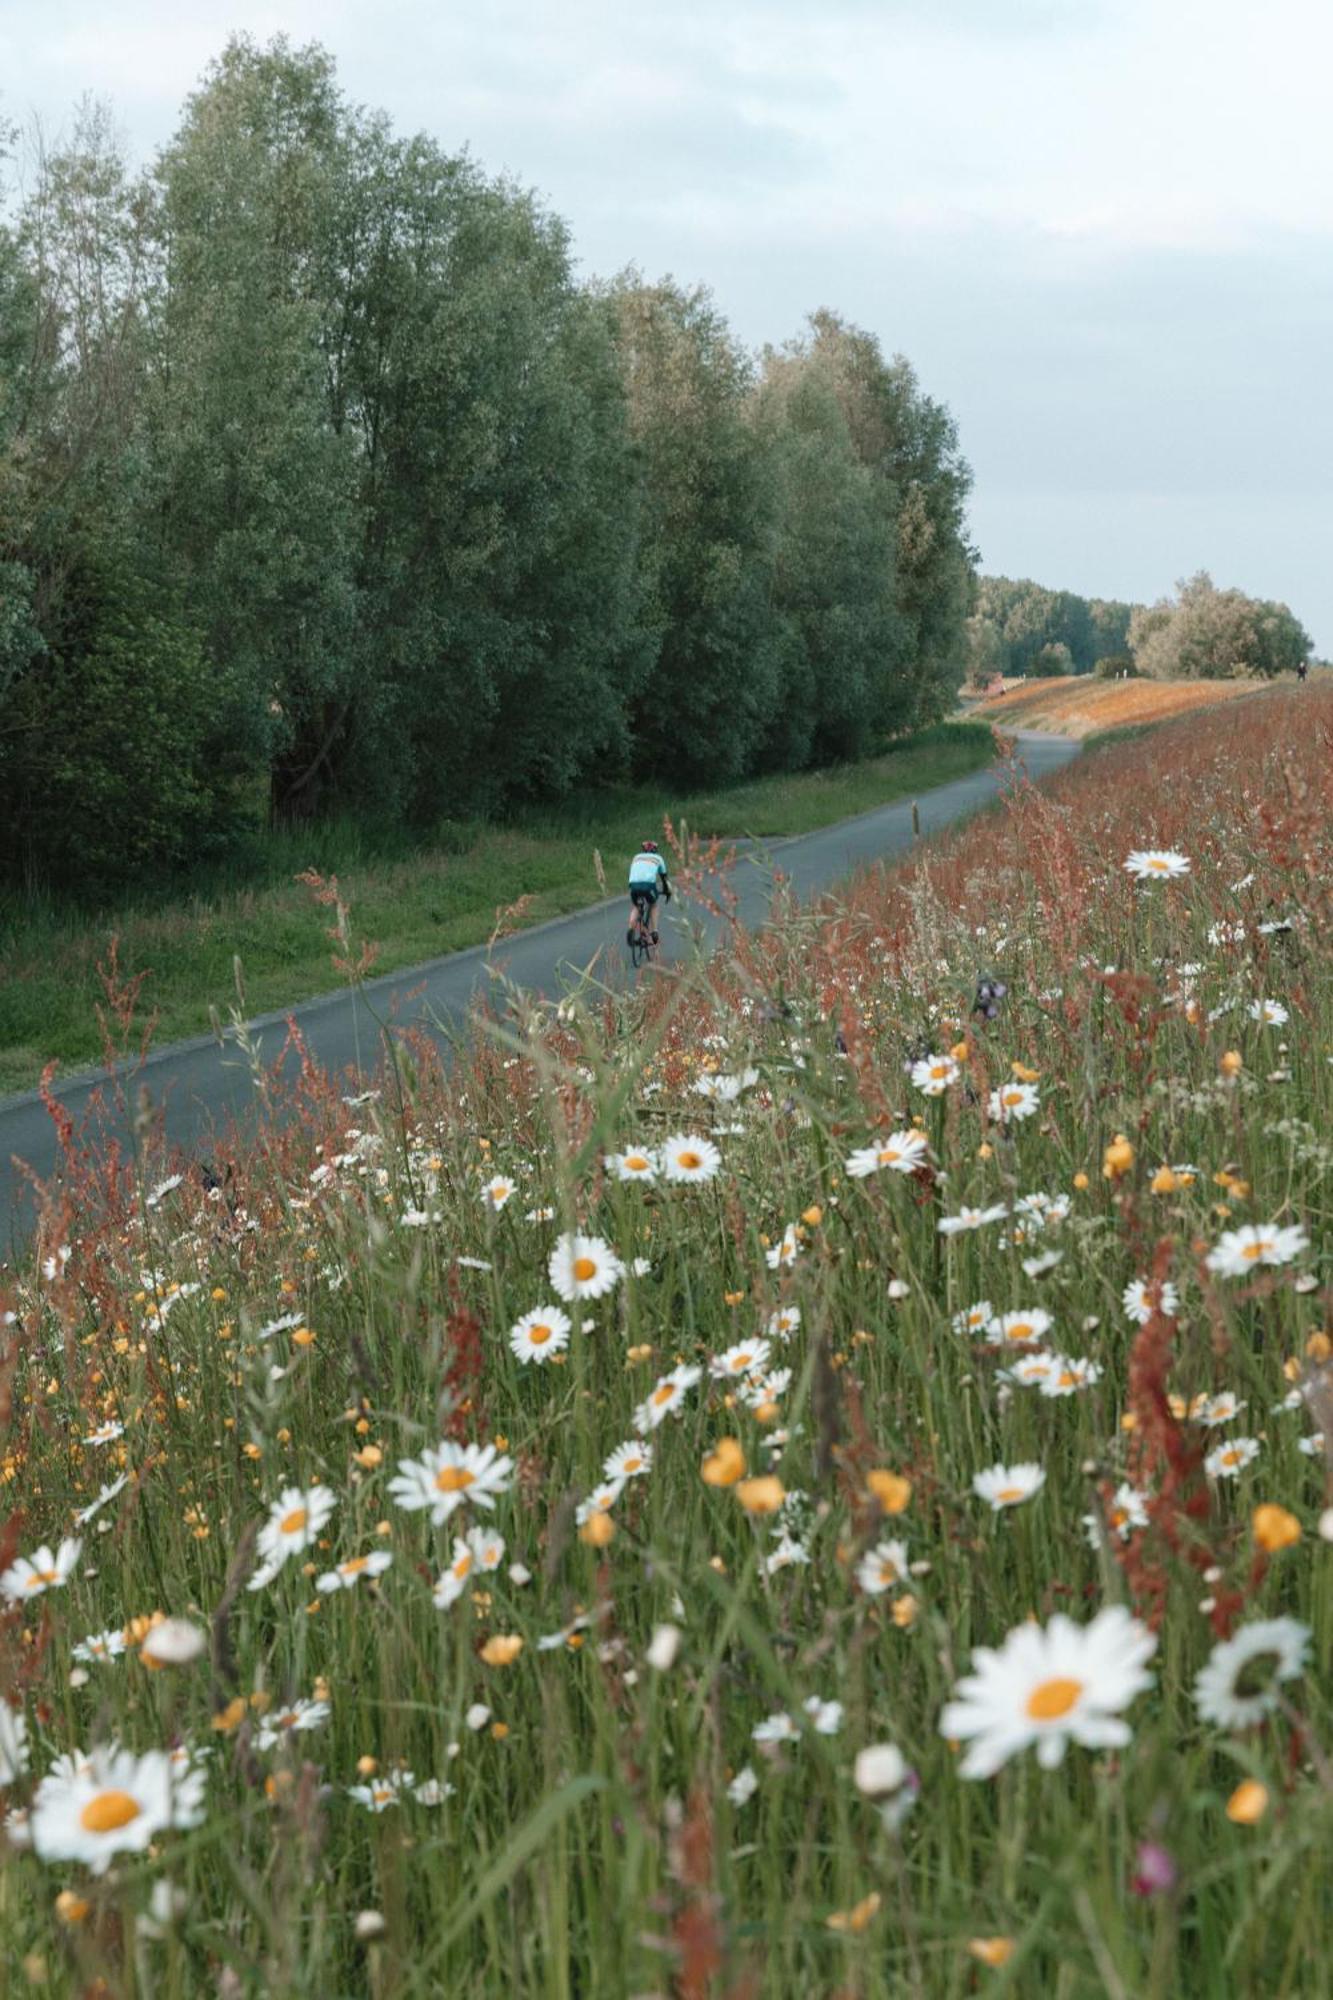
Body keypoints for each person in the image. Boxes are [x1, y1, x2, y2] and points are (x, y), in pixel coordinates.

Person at [627, 838, 672, 944]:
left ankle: (631, 929)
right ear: (655, 850)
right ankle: (655, 931)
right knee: (653, 904)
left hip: (633, 885)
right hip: (648, 885)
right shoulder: (658, 858)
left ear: (643, 850)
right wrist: (666, 891)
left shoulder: (636, 857)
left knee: (636, 906)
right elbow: (664, 879)